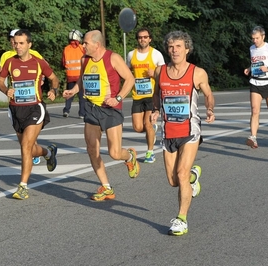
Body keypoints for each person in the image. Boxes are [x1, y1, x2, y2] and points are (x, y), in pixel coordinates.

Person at [62, 30, 140, 201]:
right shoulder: (85, 60)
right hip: (91, 108)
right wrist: (73, 91)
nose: (83, 45)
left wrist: (118, 97)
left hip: (110, 109)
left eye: (86, 43)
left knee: (114, 153)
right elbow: (82, 80)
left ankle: (130, 156)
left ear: (97, 45)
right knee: (92, 150)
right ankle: (106, 187)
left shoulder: (113, 58)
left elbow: (130, 79)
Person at [151, 31, 215, 236]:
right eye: (171, 46)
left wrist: (210, 109)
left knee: (181, 173)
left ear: (187, 49)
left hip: (189, 131)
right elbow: (156, 94)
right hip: (168, 131)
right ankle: (193, 176)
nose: (174, 50)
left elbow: (208, 94)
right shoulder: (160, 71)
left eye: (178, 46)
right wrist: (154, 110)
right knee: (173, 181)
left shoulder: (197, 72)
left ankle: (181, 219)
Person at [0, 29, 59, 199]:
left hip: (34, 108)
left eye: (21, 43)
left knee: (25, 147)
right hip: (16, 109)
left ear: (29, 44)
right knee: (29, 150)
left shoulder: (39, 63)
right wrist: (5, 89)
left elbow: (54, 78)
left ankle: (22, 187)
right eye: (15, 43)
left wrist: (53, 90)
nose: (17, 46)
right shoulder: (9, 62)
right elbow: (0, 80)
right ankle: (48, 153)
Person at [0, 28, 43, 165]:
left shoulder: (34, 54)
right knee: (22, 139)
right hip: (16, 101)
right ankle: (44, 152)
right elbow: (1, 75)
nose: (14, 43)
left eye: (17, 41)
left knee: (28, 139)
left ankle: (30, 158)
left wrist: (43, 81)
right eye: (12, 40)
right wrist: (6, 90)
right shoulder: (6, 56)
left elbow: (44, 69)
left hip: (32, 101)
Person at [126, 27, 165, 163]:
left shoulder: (156, 55)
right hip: (137, 95)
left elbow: (163, 75)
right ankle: (152, 131)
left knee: (147, 124)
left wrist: (154, 73)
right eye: (140, 37)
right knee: (138, 127)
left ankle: (150, 153)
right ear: (137, 39)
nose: (142, 39)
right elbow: (126, 71)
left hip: (151, 95)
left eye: (145, 37)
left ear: (150, 39)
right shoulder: (131, 55)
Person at [243, 26, 268, 148]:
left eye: (257, 38)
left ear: (263, 36)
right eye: (253, 38)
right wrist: (249, 69)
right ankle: (253, 138)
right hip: (255, 83)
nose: (254, 41)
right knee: (255, 110)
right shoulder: (252, 48)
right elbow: (255, 63)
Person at [62, 29, 86, 118]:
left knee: (69, 94)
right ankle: (82, 113)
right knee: (81, 96)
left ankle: (66, 110)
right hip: (80, 76)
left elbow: (63, 63)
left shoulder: (66, 49)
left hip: (70, 75)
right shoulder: (82, 48)